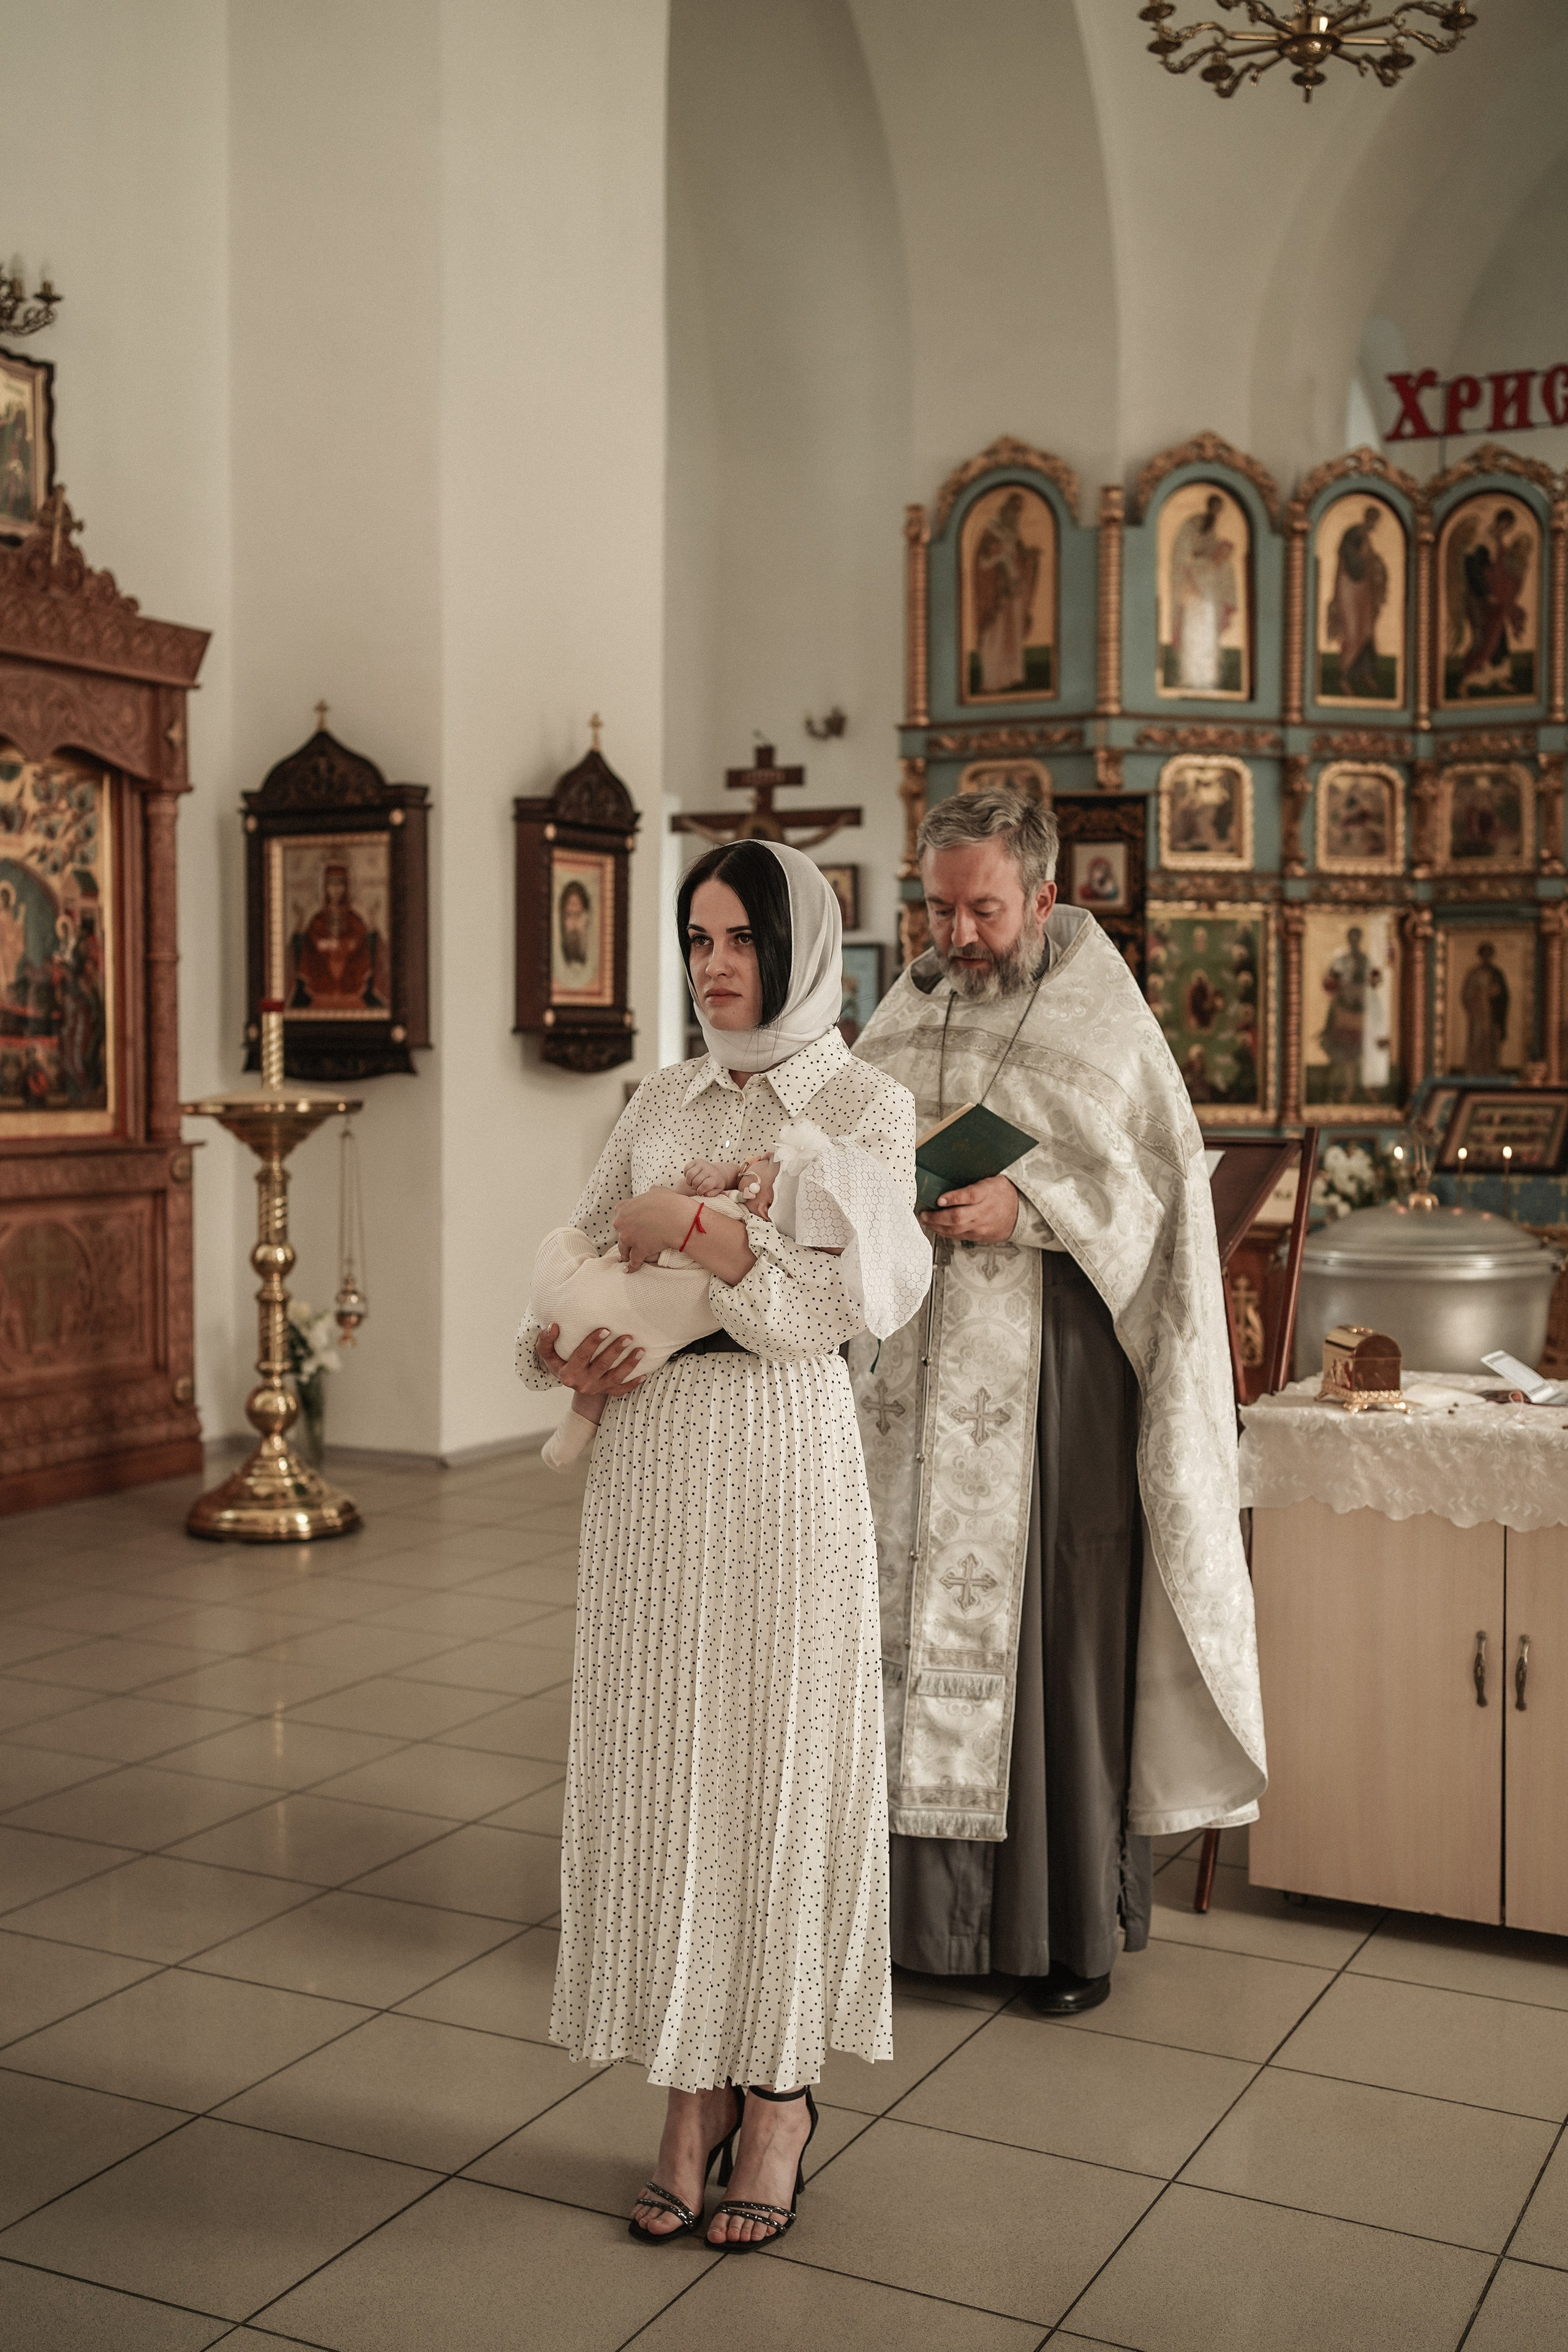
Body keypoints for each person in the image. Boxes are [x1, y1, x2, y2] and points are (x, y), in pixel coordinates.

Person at [516, 838, 929, 2249]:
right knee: (665, 1767)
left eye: (738, 935)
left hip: (777, 1459)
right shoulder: (658, 1094)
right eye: (695, 938)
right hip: (648, 1473)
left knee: (772, 1768)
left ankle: (779, 2099)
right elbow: (577, 1249)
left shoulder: (866, 1104)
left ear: (799, 943)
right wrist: (556, 1343)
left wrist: (691, 1229)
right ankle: (683, 2092)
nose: (713, 963)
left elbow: (830, 1319)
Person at [851, 787, 1265, 2015]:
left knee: (1050, 1633)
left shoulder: (1102, 1010)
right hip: (905, 1380)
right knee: (892, 1635)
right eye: (938, 907)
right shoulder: (910, 998)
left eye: (982, 907)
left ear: (1040, 893)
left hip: (1051, 1381)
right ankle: (899, 1923)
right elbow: (850, 1140)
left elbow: (1157, 1202)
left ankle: (1054, 1933)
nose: (959, 934)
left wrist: (1020, 1208)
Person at [529, 1120, 927, 1468]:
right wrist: (709, 1183)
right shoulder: (738, 1189)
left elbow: (668, 1226)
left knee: (571, 1257)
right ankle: (579, 1416)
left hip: (776, 1426)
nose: (764, 1205)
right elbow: (632, 1218)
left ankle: (578, 1420)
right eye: (769, 1179)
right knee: (601, 1321)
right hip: (636, 1399)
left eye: (778, 1207)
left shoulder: (763, 1231)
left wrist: (683, 1221)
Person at [1168, 492, 1238, 693]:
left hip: (1208, 589)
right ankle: (1190, 676)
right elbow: (1186, 554)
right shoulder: (1194, 523)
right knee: (1193, 631)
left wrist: (1219, 561)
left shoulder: (1214, 530)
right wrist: (1199, 570)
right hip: (1194, 586)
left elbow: (1215, 559)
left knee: (1208, 634)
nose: (1216, 511)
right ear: (1209, 505)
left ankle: (1208, 679)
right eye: (1215, 506)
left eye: (1220, 508)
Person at [1325, 504, 1389, 700]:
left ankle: (1365, 675)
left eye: (1376, 521)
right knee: (1354, 634)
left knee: (1367, 632)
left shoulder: (1365, 536)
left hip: (1363, 592)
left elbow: (1369, 563)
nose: (1374, 524)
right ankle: (1343, 677)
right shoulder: (1354, 534)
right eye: (1373, 520)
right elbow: (1353, 561)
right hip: (1350, 590)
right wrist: (1367, 562)